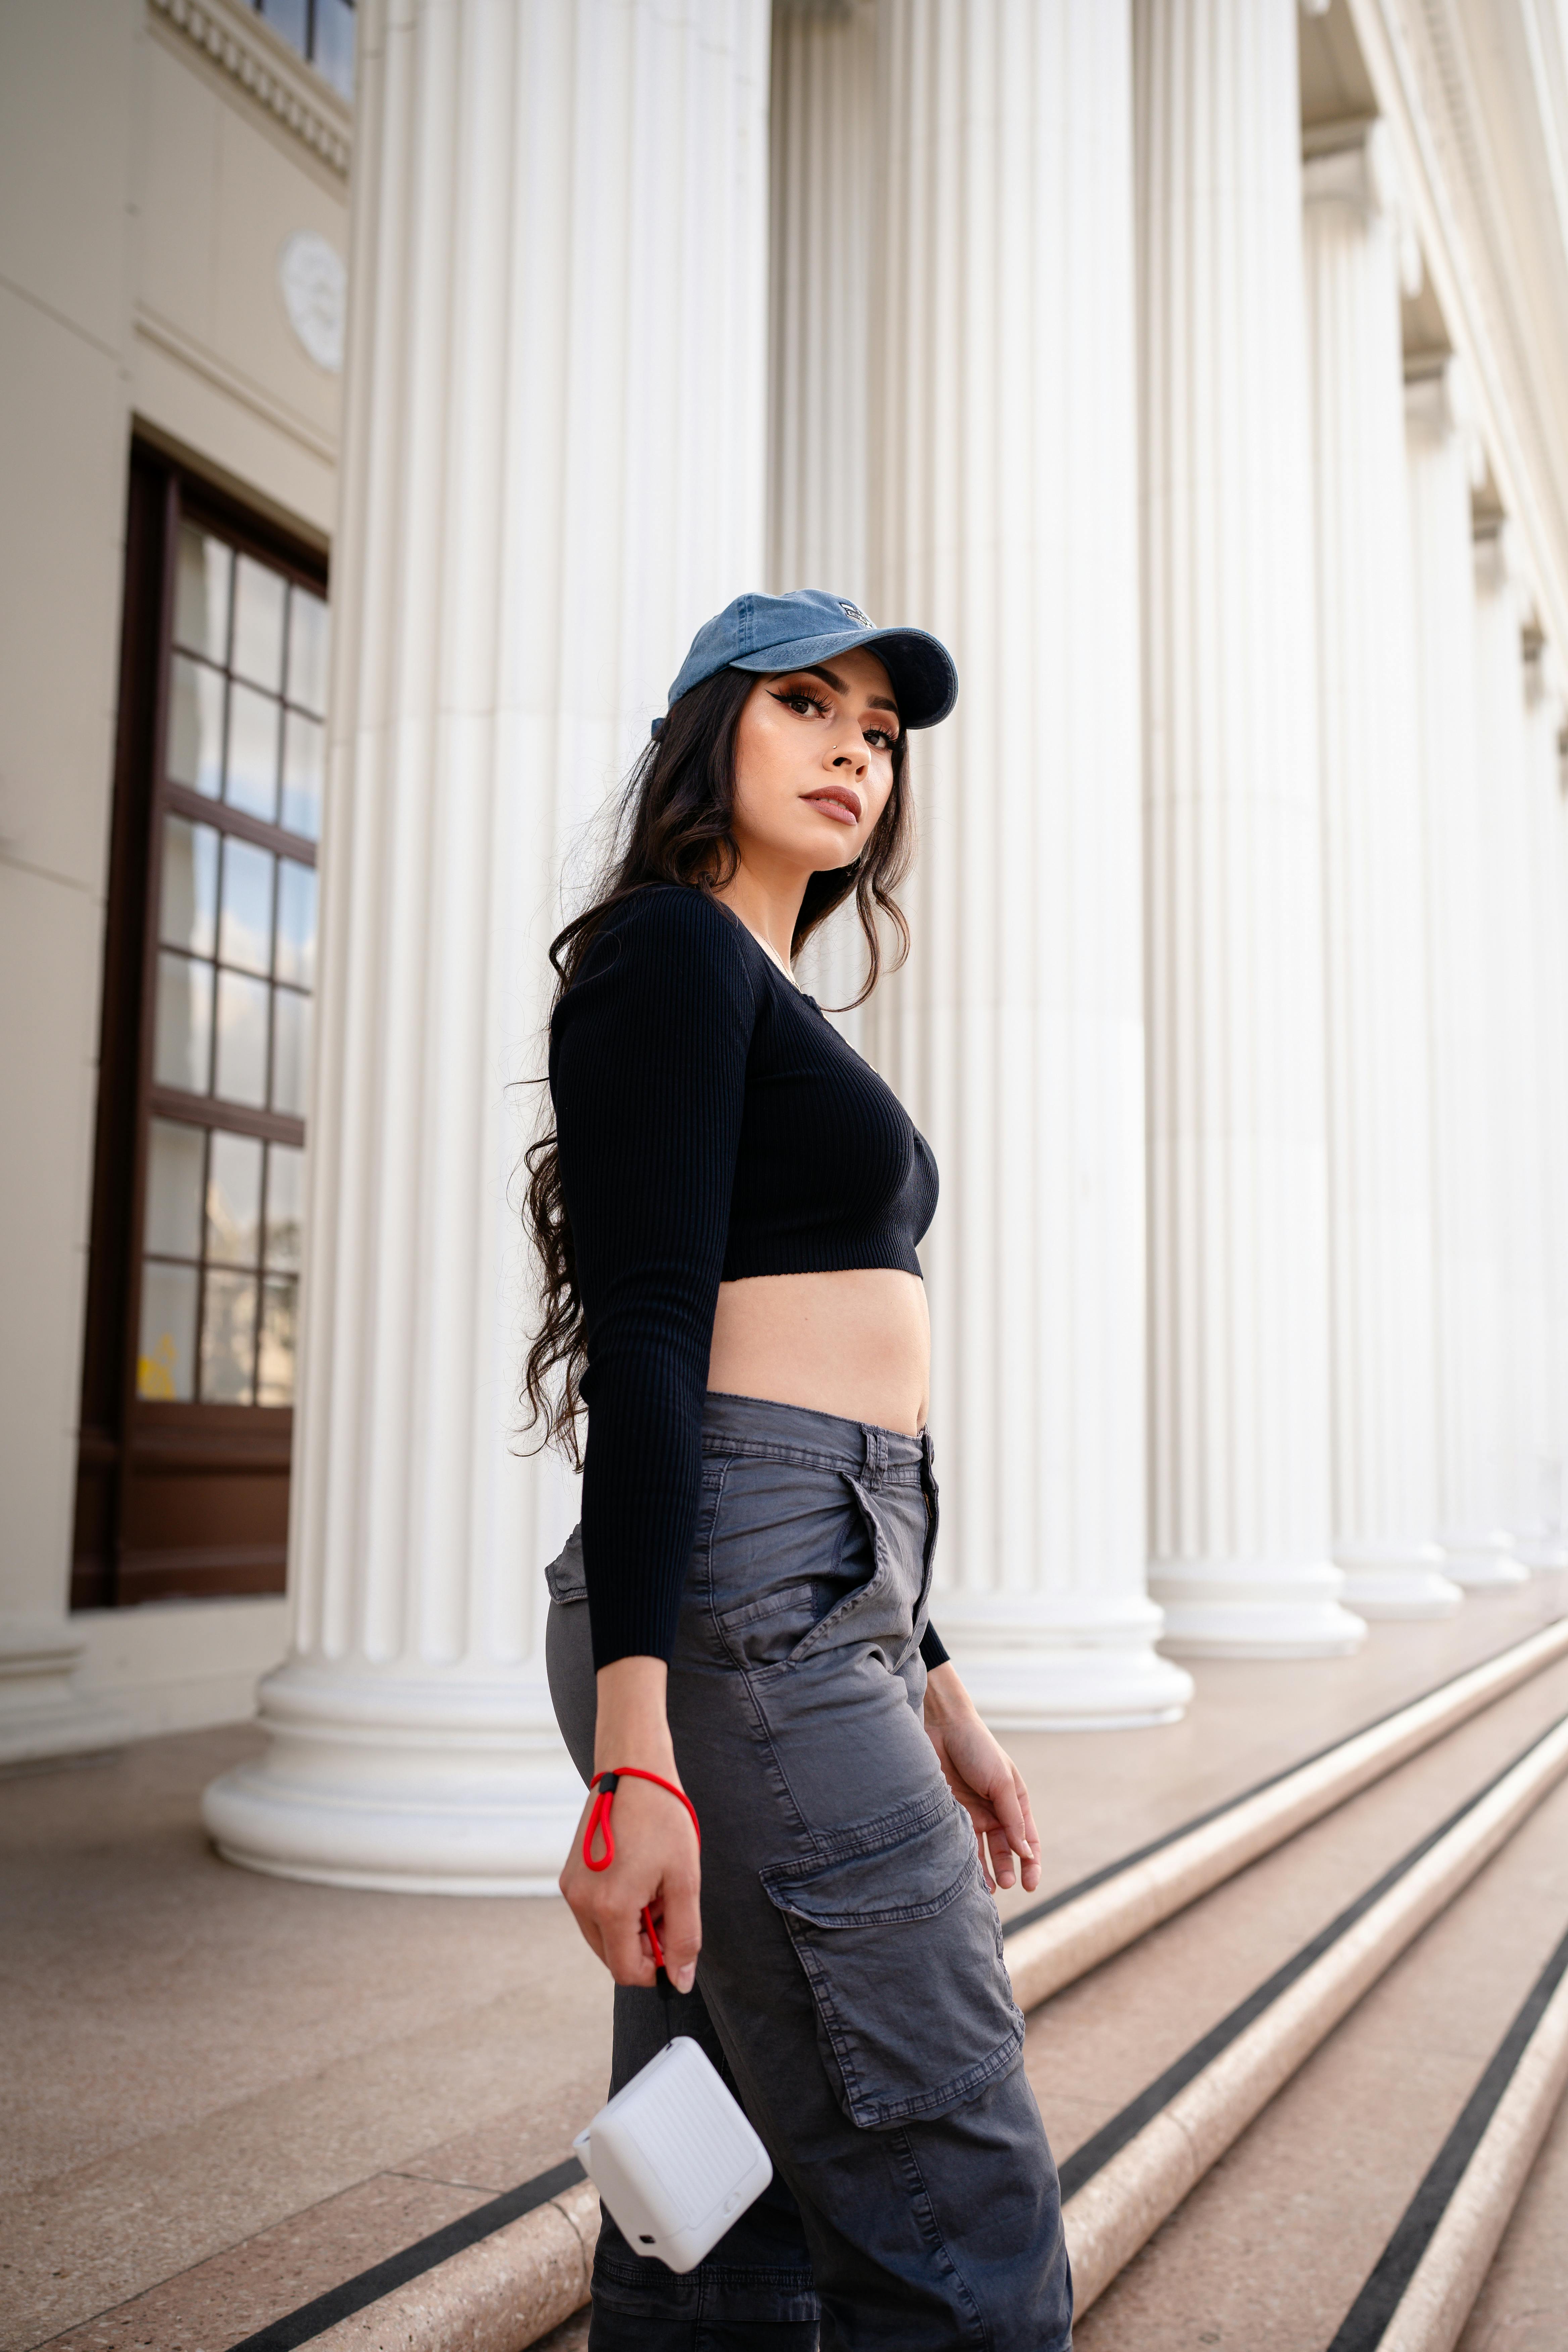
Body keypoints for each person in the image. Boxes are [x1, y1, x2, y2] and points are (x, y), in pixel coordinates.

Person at [526, 590, 1073, 2349]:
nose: (857, 750)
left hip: (819, 1589)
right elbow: (655, 1331)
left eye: (883, 732)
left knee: (722, 2221)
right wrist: (631, 1762)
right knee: (964, 2221)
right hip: (741, 1597)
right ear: (709, 734)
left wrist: (938, 1684)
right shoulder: (669, 950)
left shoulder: (763, 988)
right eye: (810, 708)